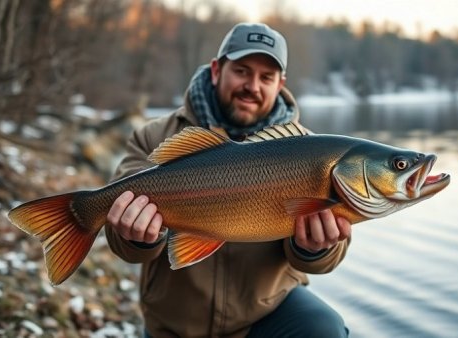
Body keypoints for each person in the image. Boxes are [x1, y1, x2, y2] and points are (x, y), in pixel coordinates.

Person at [105, 22, 352, 338]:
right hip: (175, 325)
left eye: (266, 77)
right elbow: (125, 249)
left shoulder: (311, 152)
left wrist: (315, 249)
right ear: (216, 70)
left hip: (264, 317)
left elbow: (322, 262)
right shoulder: (155, 137)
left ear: (280, 84)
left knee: (323, 329)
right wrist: (136, 234)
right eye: (242, 71)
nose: (253, 85)